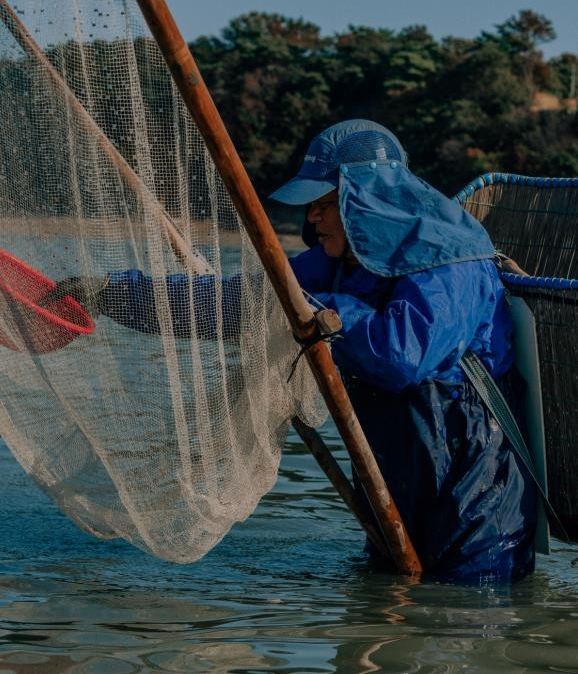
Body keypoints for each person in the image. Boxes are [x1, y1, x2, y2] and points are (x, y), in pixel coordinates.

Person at [54, 119, 537, 583]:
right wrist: (113, 292)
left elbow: (401, 356)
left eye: (324, 202)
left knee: (464, 627)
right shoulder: (346, 261)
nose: (312, 216)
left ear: (364, 201)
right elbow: (239, 303)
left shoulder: (449, 259)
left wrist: (320, 311)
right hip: (397, 485)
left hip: (475, 494)